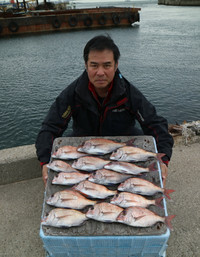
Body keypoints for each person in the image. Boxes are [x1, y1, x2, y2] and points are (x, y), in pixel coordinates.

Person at [35, 34, 174, 187]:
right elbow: (50, 127)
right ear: (86, 65)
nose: (100, 72)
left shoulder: (129, 94)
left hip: (123, 148)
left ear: (116, 65)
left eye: (107, 65)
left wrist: (163, 160)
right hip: (85, 148)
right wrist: (45, 161)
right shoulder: (73, 93)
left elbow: (155, 124)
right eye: (94, 65)